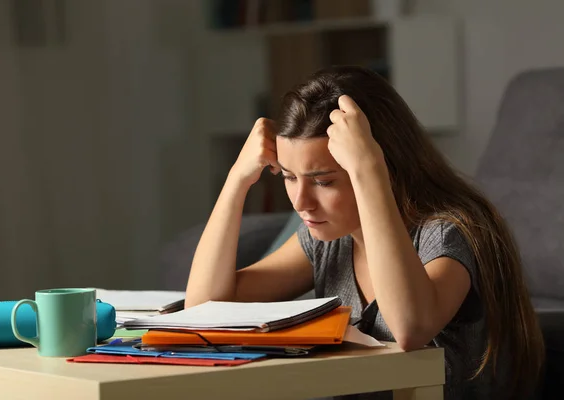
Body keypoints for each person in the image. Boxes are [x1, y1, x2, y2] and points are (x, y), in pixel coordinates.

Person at [185, 66, 544, 399]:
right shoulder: (328, 240)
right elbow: (203, 308)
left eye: (323, 181)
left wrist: (370, 170)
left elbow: (410, 328)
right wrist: (237, 180)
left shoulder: (447, 232)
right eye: (290, 178)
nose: (302, 203)